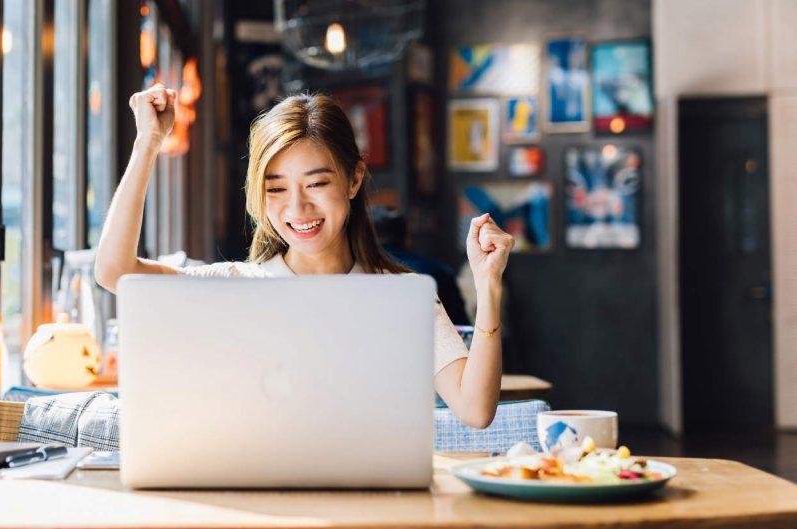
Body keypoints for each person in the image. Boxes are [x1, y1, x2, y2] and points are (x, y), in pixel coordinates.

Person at [94, 84, 514, 430]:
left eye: (315, 184)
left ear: (353, 180)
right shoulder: (233, 286)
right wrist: (147, 143)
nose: (297, 209)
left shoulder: (404, 296)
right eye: (276, 189)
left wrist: (488, 285)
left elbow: (476, 410)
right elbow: (114, 272)